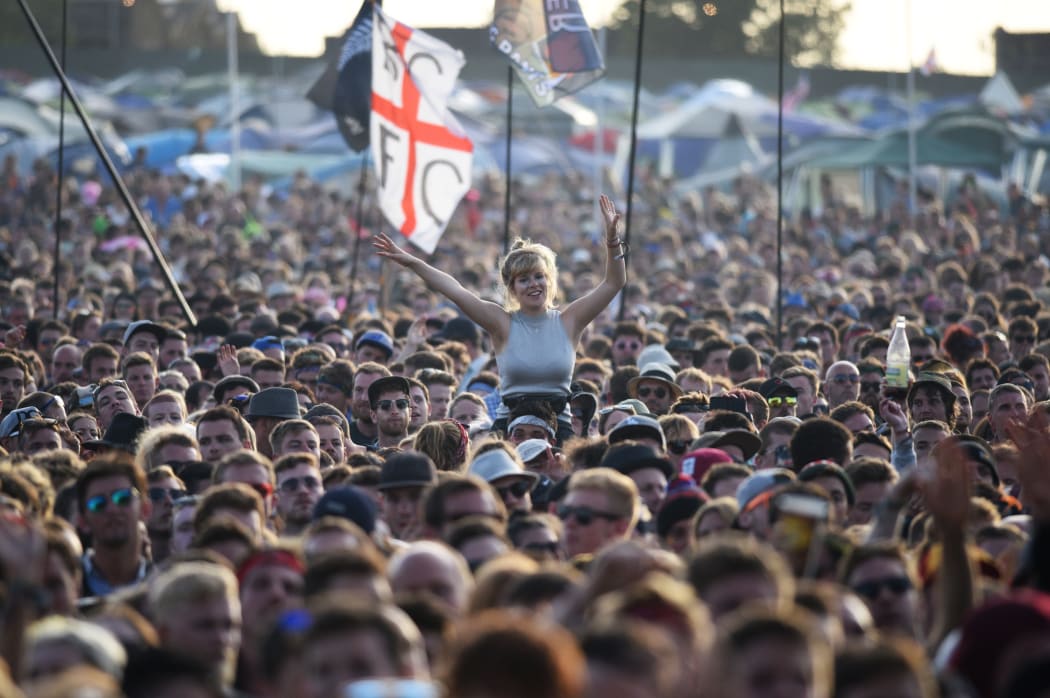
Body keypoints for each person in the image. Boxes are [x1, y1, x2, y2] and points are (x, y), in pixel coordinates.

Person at [374, 194, 626, 443]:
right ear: (512, 289)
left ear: (549, 280)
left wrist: (612, 239)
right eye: (523, 279)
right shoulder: (502, 323)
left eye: (539, 276)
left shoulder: (569, 321)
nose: (533, 284)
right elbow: (455, 290)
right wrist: (412, 262)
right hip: (509, 427)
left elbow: (614, 283)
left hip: (558, 429)